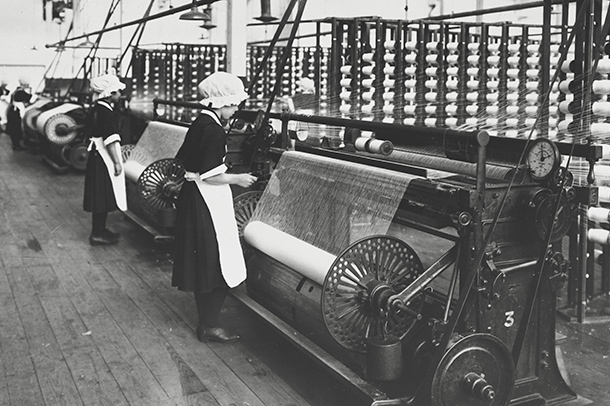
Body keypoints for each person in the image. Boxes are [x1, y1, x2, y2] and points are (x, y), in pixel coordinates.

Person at [172, 72, 257, 343]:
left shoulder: (200, 122)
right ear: (220, 102)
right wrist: (239, 178)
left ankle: (207, 321)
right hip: (205, 200)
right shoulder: (214, 129)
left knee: (204, 261)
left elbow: (187, 160)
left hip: (193, 196)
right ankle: (209, 325)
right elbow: (211, 175)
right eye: (233, 105)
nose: (235, 111)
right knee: (218, 260)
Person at [83, 74, 127, 246]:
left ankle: (100, 229)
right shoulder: (106, 112)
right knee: (101, 195)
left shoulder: (97, 107)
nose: (120, 95)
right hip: (103, 156)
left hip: (96, 155)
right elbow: (109, 139)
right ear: (109, 94)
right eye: (117, 92)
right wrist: (117, 162)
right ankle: (96, 234)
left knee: (100, 194)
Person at [5, 86, 32, 151]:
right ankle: (16, 145)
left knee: (14, 129)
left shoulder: (15, 91)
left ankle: (15, 144)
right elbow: (28, 98)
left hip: (12, 110)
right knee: (16, 128)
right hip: (16, 111)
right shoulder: (20, 92)